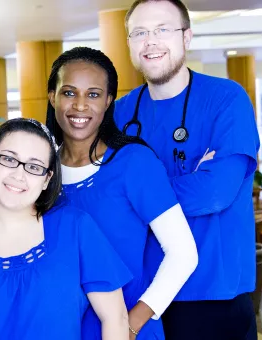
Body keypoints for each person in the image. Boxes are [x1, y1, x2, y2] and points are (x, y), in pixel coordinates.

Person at [114, 1, 261, 339]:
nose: (150, 41)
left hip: (213, 295)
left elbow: (215, 193)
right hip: (142, 296)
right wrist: (188, 179)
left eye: (162, 29)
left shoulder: (226, 99)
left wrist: (135, 194)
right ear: (130, 43)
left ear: (187, 37)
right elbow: (106, 193)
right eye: (139, 32)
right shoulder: (120, 113)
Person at [0, 118, 131, 340]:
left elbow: (115, 318)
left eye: (34, 167)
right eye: (9, 159)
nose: (19, 175)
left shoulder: (75, 228)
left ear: (46, 179)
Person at [46, 47, 198, 339]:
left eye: (93, 94)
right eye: (69, 92)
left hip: (125, 327)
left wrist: (130, 325)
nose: (80, 105)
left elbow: (183, 254)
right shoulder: (40, 169)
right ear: (52, 96)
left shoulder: (133, 162)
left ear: (108, 101)